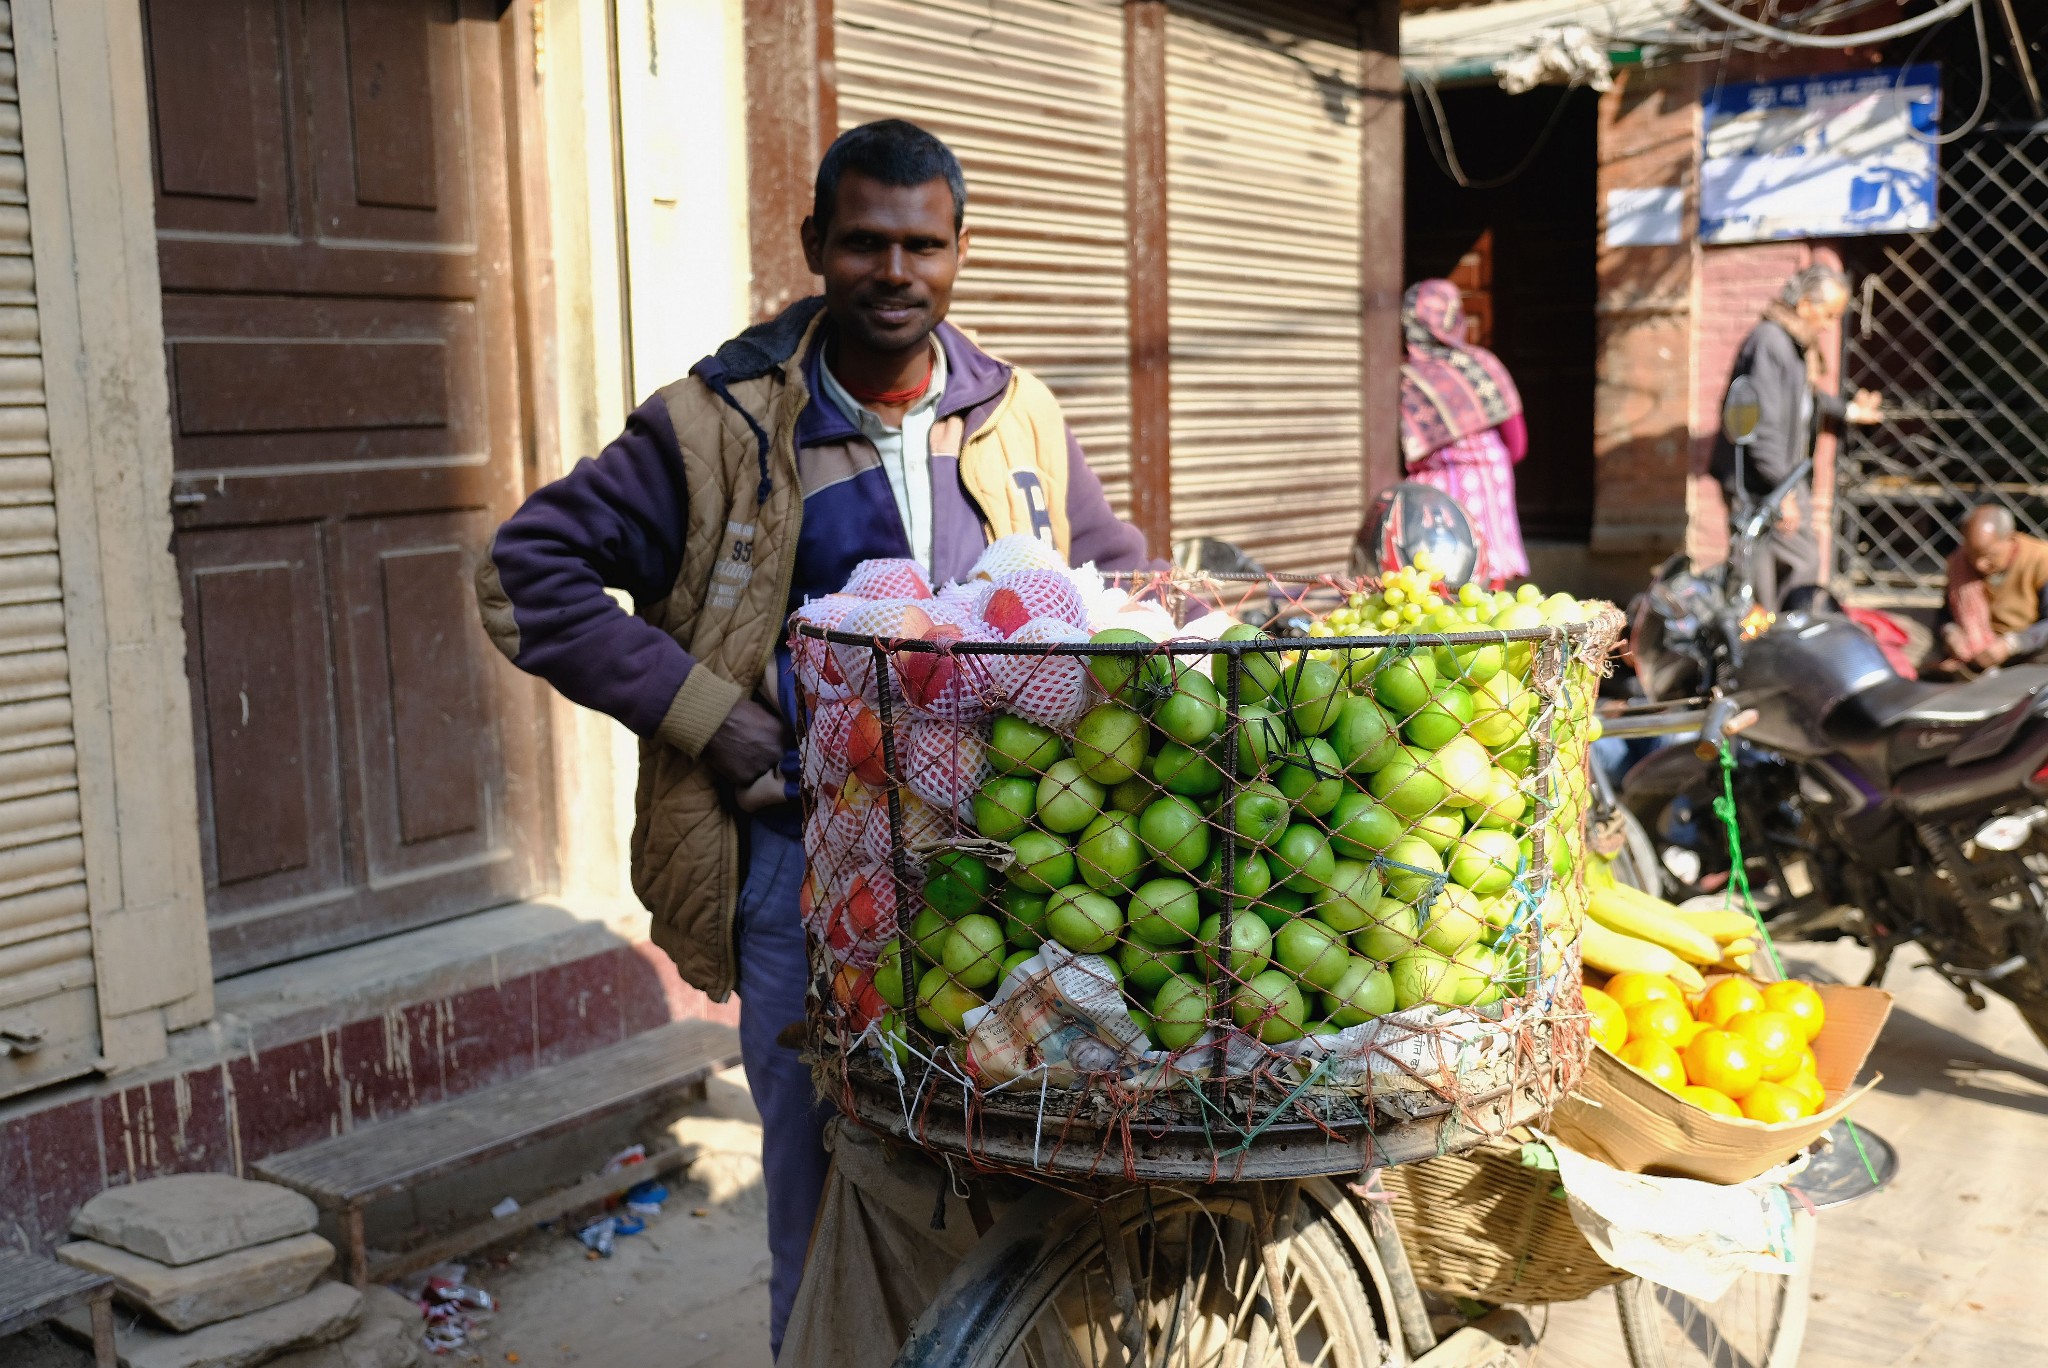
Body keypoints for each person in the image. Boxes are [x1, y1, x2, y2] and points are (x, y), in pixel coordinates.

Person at [473, 119, 1150, 1357]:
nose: (894, 273)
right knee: (825, 1192)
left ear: (959, 252)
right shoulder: (710, 427)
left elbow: (1103, 573)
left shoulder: (1020, 415)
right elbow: (524, 576)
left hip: (1017, 873)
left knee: (1019, 1176)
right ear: (814, 248)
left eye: (922, 246)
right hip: (809, 873)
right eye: (864, 243)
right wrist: (711, 720)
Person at [1709, 264, 1883, 609]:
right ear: (1805, 305)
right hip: (1764, 481)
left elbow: (1802, 399)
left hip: (1779, 476)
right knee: (1786, 565)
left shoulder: (1791, 344)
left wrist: (1848, 410)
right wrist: (1782, 490)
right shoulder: (1771, 342)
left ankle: (1775, 640)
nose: (1828, 324)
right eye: (1829, 314)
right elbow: (1762, 425)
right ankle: (1778, 643)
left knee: (1775, 568)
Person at [1397, 279, 1529, 588]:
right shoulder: (1480, 365)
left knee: (1434, 578)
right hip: (1486, 480)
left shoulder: (1401, 373)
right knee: (1490, 572)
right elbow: (1517, 445)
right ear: (1454, 317)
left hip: (1430, 488)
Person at [1937, 504, 2048, 672]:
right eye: (1972, 555)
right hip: (1978, 652)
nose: (1979, 564)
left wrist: (2011, 645)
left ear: (2009, 538)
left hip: (2027, 647)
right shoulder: (1959, 563)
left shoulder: (2041, 560)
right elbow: (1946, 614)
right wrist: (1952, 634)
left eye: (1989, 555)